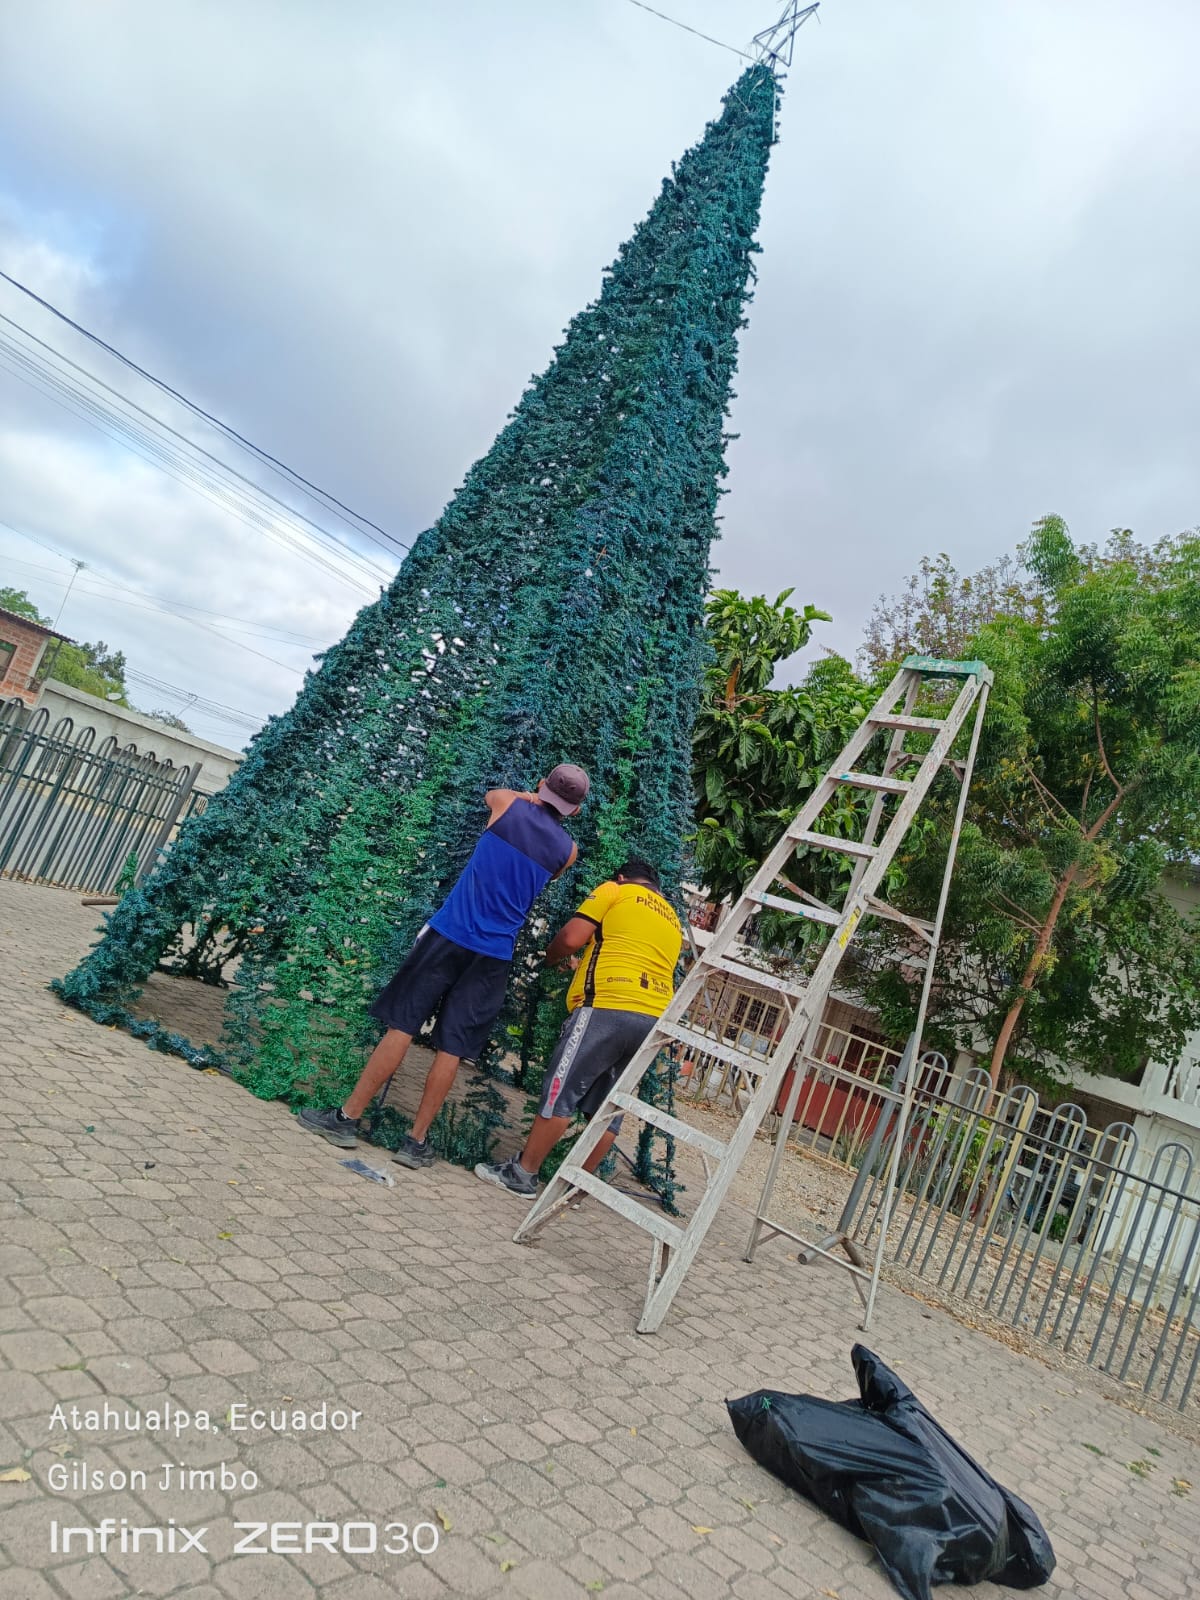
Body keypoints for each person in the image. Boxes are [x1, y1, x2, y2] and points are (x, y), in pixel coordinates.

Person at [298, 763, 589, 1167]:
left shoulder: (507, 803)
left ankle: (347, 1120)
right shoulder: (568, 852)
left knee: (402, 1025)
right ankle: (415, 1143)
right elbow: (549, 867)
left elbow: (492, 794)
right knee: (452, 1048)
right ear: (576, 810)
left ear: (541, 785)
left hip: (448, 934)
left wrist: (531, 795)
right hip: (493, 955)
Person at [474, 858, 682, 1197]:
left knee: (561, 1090)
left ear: (621, 876)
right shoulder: (671, 918)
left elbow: (571, 938)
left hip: (606, 1007)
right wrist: (581, 966)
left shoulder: (616, 891)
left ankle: (523, 1174)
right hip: (653, 1021)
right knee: (607, 1110)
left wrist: (551, 957)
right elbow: (630, 954)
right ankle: (573, 1191)